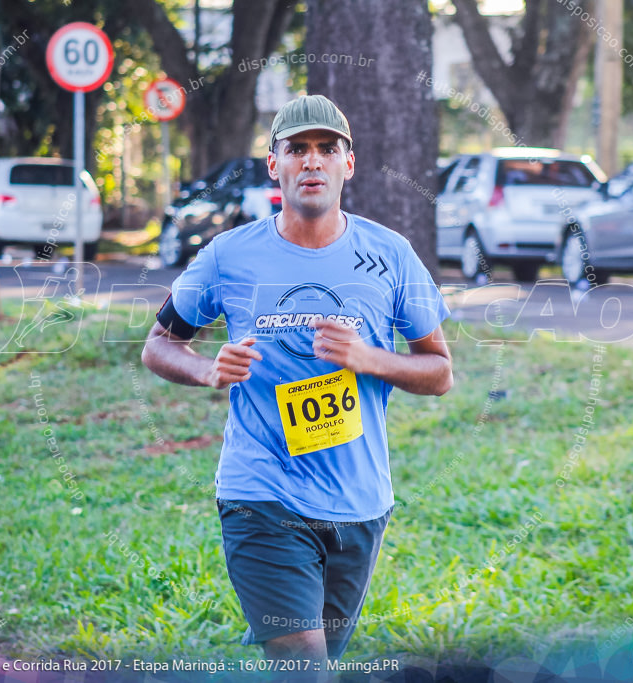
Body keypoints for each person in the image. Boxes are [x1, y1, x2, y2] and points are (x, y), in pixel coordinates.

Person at [141, 95, 453, 670]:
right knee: (304, 666)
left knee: (318, 663)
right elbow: (159, 344)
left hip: (358, 503)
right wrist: (207, 369)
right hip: (261, 496)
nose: (312, 162)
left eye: (326, 149)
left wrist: (370, 358)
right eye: (298, 150)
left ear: (347, 164)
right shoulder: (228, 256)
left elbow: (439, 372)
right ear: (274, 165)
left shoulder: (391, 256)